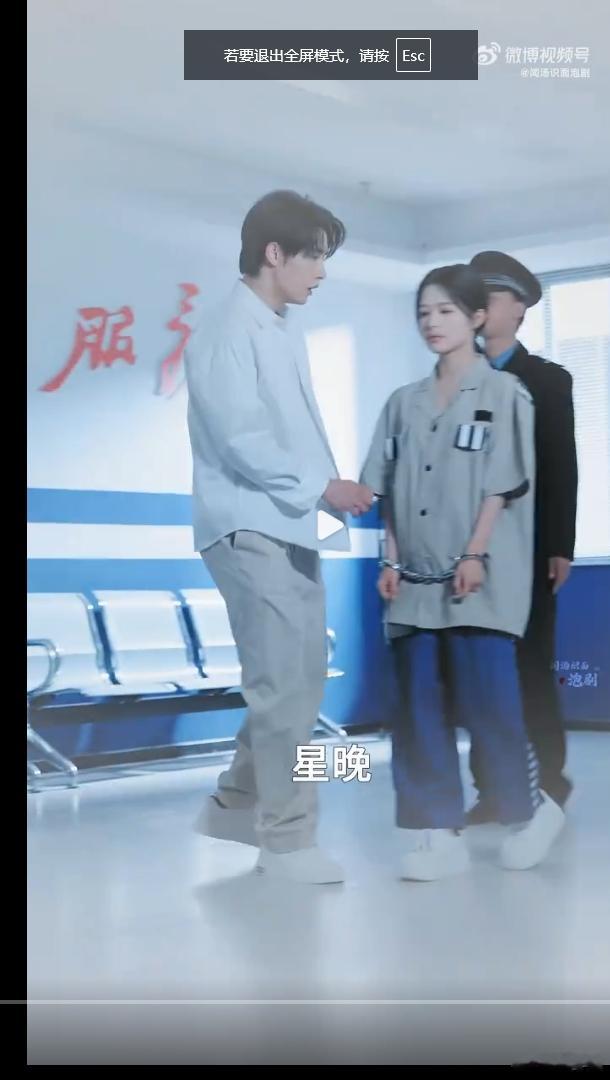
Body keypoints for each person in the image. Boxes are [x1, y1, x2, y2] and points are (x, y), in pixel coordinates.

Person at [184, 190, 374, 884]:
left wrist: (325, 500)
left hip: (290, 523)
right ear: (274, 253)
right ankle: (287, 842)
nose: (322, 272)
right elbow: (242, 438)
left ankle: (235, 808)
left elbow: (290, 436)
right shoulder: (225, 330)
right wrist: (324, 487)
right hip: (247, 526)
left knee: (299, 681)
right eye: (314, 256)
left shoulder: (279, 326)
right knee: (281, 686)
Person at [360, 263, 565, 882]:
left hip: (481, 578)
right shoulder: (402, 403)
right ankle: (437, 833)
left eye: (446, 311)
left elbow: (501, 484)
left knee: (489, 704)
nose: (432, 322)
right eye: (423, 312)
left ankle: (531, 813)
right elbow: (388, 488)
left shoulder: (506, 394)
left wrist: (475, 554)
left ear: (476, 317)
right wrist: (390, 558)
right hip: (413, 583)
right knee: (417, 711)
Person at [467, 251, 578, 820]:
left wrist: (561, 545)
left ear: (519, 310)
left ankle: (548, 784)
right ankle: (491, 789)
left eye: (491, 297)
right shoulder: (455, 380)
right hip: (471, 554)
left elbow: (561, 467)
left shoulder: (547, 380)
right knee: (480, 674)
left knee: (530, 668)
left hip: (530, 549)